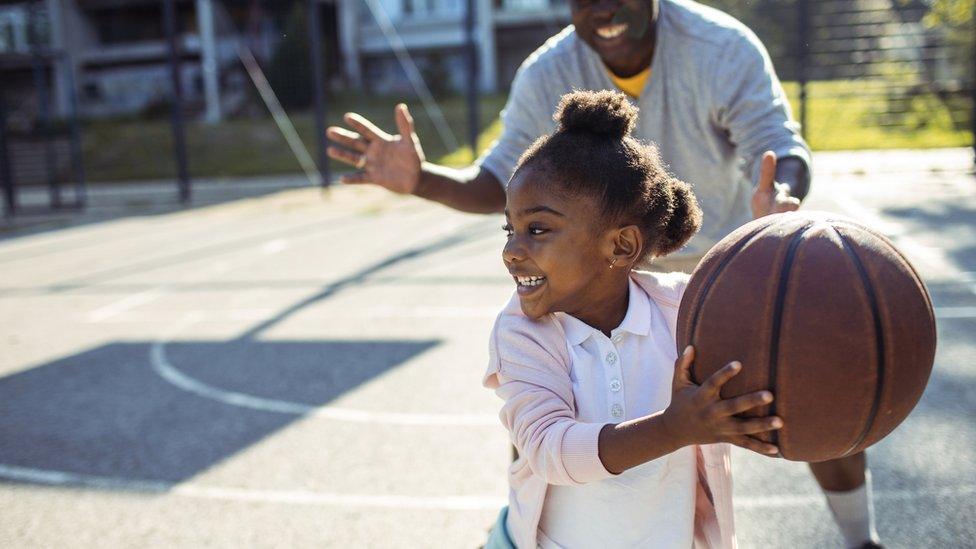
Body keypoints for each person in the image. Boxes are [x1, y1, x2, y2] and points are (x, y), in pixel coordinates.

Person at [327, 2, 880, 546]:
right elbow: (500, 179)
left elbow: (777, 144)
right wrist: (422, 179)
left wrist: (780, 200)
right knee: (541, 425)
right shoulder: (548, 72)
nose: (603, 7)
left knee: (801, 380)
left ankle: (861, 537)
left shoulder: (720, 47)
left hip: (714, 264)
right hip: (585, 269)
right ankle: (530, 531)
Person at [483, 89, 782, 548]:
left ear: (621, 246)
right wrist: (674, 428)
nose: (511, 250)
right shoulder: (522, 332)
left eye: (537, 229)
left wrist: (775, 241)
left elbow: (769, 324)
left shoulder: (683, 309)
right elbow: (548, 449)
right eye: (511, 229)